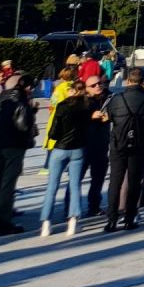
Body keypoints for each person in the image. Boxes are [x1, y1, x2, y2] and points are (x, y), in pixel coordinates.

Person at [0, 73, 36, 234]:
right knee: (7, 184)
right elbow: (22, 126)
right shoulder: (21, 101)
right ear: (27, 87)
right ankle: (3, 221)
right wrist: (31, 113)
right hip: (13, 146)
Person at [105, 67, 144, 231]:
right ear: (143, 82)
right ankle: (130, 218)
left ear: (128, 80)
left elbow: (110, 117)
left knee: (115, 181)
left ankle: (112, 219)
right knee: (134, 182)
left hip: (118, 144)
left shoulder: (117, 98)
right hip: (139, 144)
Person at [38, 81, 89, 237]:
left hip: (60, 149)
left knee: (52, 187)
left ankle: (46, 222)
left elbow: (53, 133)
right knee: (74, 186)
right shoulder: (86, 107)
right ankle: (73, 221)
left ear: (72, 91)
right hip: (78, 149)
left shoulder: (62, 106)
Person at [79, 75, 111, 217]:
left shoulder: (107, 98)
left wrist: (109, 116)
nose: (98, 86)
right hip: (84, 146)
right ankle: (70, 207)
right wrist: (90, 117)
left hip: (101, 145)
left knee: (98, 178)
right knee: (76, 178)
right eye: (93, 85)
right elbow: (74, 119)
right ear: (86, 89)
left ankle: (94, 206)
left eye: (99, 83)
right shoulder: (81, 102)